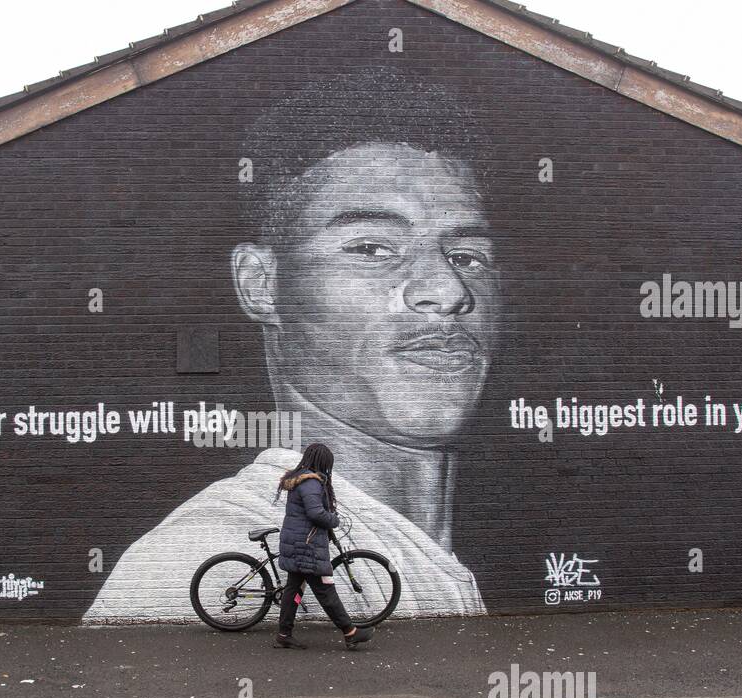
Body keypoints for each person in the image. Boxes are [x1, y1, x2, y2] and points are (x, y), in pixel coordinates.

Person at [84, 66, 492, 624]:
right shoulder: (186, 565)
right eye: (371, 248)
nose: (447, 290)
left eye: (468, 256)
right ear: (261, 284)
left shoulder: (442, 559)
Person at [273, 443, 373, 650]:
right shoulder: (311, 482)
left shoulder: (300, 478)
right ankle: (350, 631)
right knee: (325, 589)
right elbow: (316, 513)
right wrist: (333, 519)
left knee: (293, 590)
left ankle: (284, 634)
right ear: (323, 462)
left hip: (299, 542)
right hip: (306, 546)